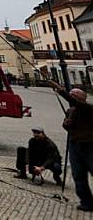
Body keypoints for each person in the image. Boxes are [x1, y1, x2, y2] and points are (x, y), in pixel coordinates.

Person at [50, 81, 93, 211]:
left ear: (81, 98)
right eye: (70, 94)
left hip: (89, 145)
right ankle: (86, 202)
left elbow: (75, 103)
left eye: (74, 95)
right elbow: (66, 126)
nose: (71, 96)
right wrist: (66, 123)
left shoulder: (88, 108)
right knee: (78, 175)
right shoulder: (71, 110)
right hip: (74, 145)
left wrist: (61, 91)